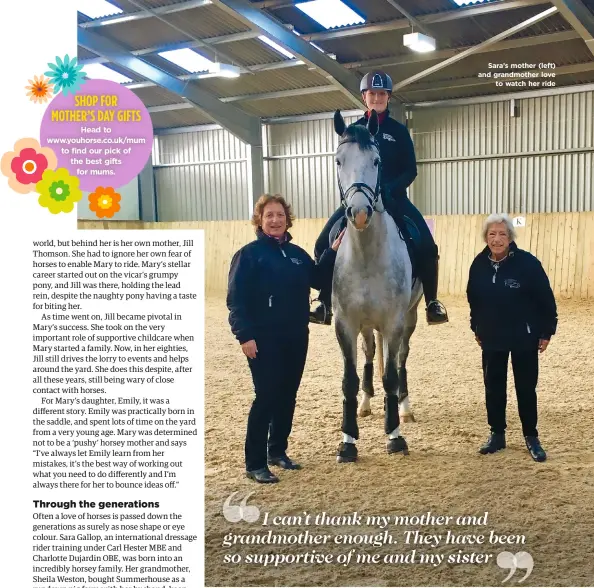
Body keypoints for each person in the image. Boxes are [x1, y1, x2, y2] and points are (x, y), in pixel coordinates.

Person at [310, 69, 448, 326]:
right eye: (372, 93)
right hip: (359, 200)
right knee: (322, 243)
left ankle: (431, 302)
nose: (377, 98)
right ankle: (324, 301)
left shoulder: (398, 131)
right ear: (364, 97)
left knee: (428, 246)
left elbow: (411, 169)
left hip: (394, 198)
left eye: (381, 94)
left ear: (388, 97)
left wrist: (391, 189)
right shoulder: (353, 131)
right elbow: (345, 167)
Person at [227, 194, 343, 483]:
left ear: (287, 219)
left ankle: (277, 450)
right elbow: (236, 301)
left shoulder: (298, 255)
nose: (275, 220)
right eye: (269, 215)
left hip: (295, 336)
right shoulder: (248, 255)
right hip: (263, 338)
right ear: (260, 220)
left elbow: (317, 278)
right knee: (266, 396)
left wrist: (332, 252)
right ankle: (255, 463)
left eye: (280, 215)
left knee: (287, 395)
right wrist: (244, 336)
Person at [467, 213, 557, 462]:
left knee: (526, 388)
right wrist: (476, 326)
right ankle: (497, 434)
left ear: (510, 237)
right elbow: (473, 298)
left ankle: (531, 436)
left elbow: (546, 299)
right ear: (486, 237)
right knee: (493, 387)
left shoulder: (528, 264)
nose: (496, 239)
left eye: (502, 234)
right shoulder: (478, 264)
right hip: (492, 336)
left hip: (524, 336)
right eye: (492, 234)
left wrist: (547, 331)